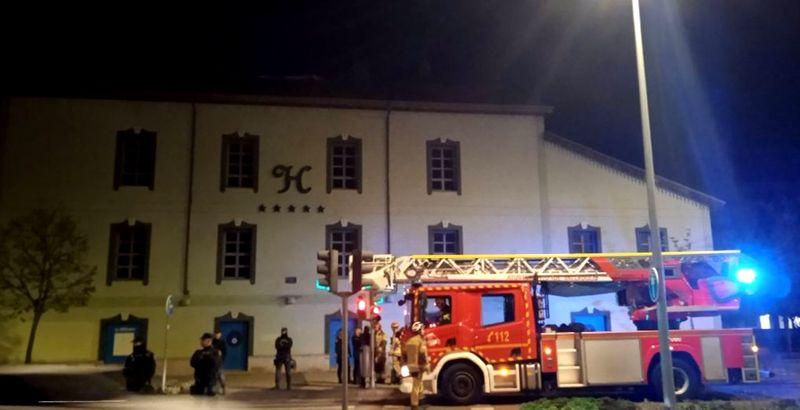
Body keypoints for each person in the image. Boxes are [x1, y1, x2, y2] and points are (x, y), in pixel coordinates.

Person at [403, 321, 429, 410]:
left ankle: (420, 402)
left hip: (412, 366)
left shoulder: (409, 341)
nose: (424, 331)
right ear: (419, 330)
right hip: (418, 366)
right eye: (422, 329)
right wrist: (426, 365)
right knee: (416, 386)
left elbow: (405, 354)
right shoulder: (419, 341)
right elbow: (422, 354)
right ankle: (414, 405)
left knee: (418, 384)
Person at [212, 330, 227, 395]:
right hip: (212, 361)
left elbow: (224, 351)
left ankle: (223, 388)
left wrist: (222, 359)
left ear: (220, 334)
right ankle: (215, 389)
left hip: (219, 361)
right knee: (213, 375)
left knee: (220, 375)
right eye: (215, 334)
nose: (217, 335)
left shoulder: (222, 342)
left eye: (218, 334)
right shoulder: (212, 342)